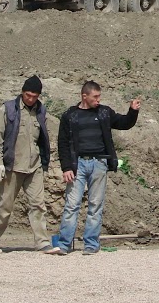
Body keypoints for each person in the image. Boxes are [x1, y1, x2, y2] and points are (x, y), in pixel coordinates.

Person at [48, 81, 141, 255]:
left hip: (99, 163)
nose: (98, 100)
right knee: (72, 204)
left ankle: (91, 244)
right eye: (95, 97)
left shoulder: (104, 113)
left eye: (99, 96)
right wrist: (66, 167)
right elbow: (62, 143)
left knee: (95, 204)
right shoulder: (70, 115)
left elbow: (124, 123)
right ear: (85, 96)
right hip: (78, 165)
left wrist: (133, 111)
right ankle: (64, 244)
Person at [0, 75, 55, 253]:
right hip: (12, 166)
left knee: (38, 205)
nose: (31, 99)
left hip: (34, 166)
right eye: (28, 95)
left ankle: (42, 242)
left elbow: (43, 138)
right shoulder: (7, 109)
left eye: (34, 96)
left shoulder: (40, 111)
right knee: (4, 206)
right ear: (22, 92)